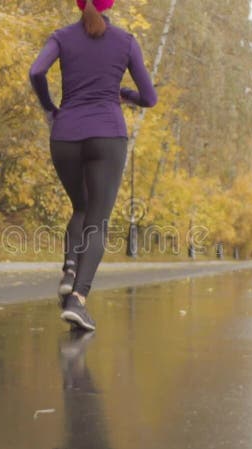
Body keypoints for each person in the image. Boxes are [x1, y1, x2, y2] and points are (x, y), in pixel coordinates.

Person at [29, 0, 157, 330]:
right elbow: (150, 97)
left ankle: (70, 268)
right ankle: (78, 300)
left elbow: (36, 71)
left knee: (81, 207)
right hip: (107, 136)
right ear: (108, 5)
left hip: (65, 135)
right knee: (97, 221)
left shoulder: (61, 36)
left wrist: (49, 109)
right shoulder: (125, 41)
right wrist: (122, 94)